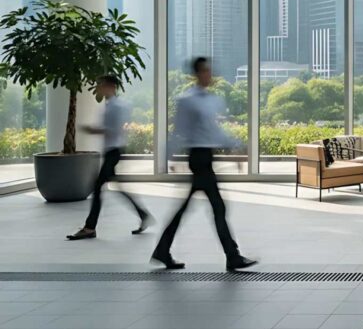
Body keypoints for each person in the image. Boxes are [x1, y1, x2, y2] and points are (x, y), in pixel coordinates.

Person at [151, 57, 257, 271]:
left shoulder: (209, 99)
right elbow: (178, 130)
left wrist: (234, 148)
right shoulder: (187, 100)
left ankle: (162, 250)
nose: (210, 75)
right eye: (206, 71)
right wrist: (169, 158)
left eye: (210, 71)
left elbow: (214, 130)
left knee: (190, 208)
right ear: (197, 73)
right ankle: (232, 256)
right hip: (198, 158)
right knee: (218, 207)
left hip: (206, 157)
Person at [67, 76, 152, 241]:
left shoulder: (115, 106)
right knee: (114, 188)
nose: (99, 88)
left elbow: (113, 130)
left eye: (101, 85)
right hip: (112, 151)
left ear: (111, 86)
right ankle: (143, 215)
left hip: (113, 151)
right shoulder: (113, 105)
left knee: (98, 188)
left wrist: (92, 130)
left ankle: (90, 227)